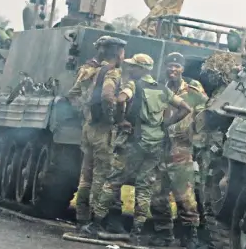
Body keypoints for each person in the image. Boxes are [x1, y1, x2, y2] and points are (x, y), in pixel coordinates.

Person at [92, 53, 194, 247]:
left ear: (141, 69)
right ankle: (136, 231)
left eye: (133, 66)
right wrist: (166, 124)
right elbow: (186, 108)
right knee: (145, 186)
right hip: (155, 142)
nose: (130, 69)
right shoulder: (162, 90)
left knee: (113, 181)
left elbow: (121, 99)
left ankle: (95, 223)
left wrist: (121, 119)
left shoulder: (133, 85)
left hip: (135, 142)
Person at [68, 35, 126, 235]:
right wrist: (115, 119)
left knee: (86, 176)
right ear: (118, 53)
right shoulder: (113, 73)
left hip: (88, 128)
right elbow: (108, 96)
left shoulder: (88, 70)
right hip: (103, 130)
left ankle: (81, 218)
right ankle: (94, 221)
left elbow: (73, 94)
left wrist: (84, 113)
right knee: (102, 176)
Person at [162, 52, 209, 248]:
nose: (173, 69)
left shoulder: (193, 91)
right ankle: (162, 233)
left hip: (182, 147)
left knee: (184, 194)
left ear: (182, 69)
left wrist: (197, 139)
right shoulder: (159, 89)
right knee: (158, 193)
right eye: (170, 65)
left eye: (177, 66)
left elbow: (205, 115)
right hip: (159, 145)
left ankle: (189, 236)